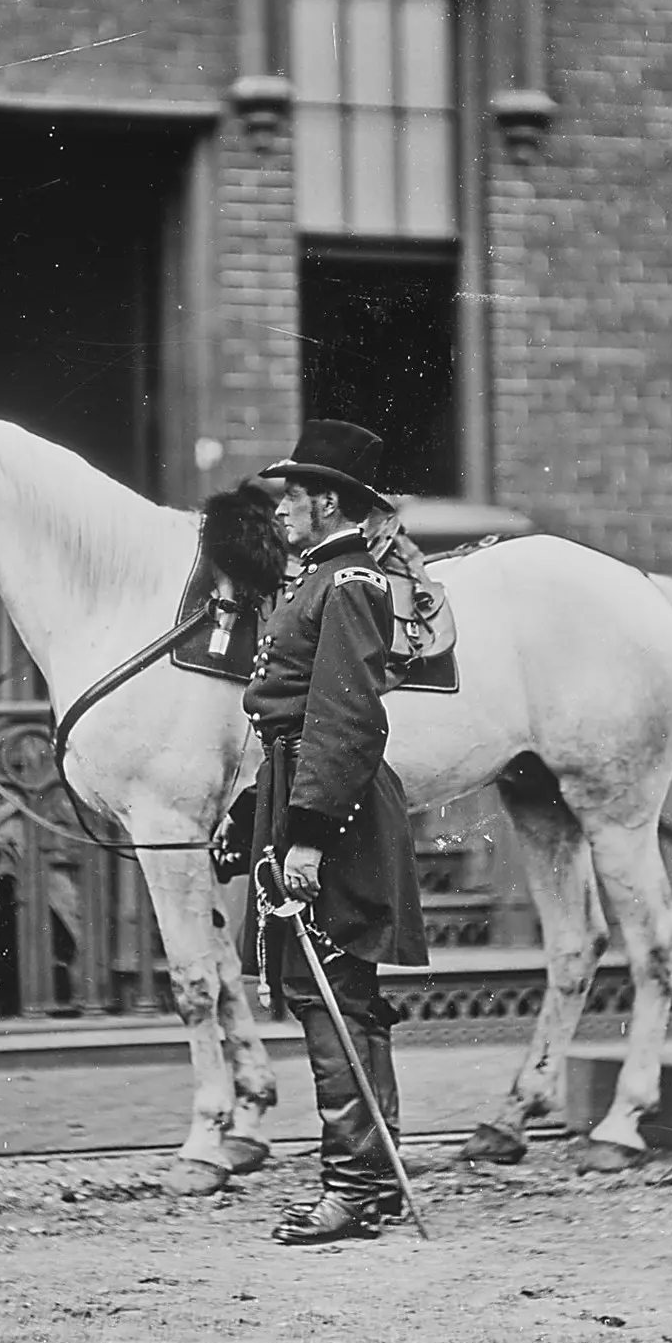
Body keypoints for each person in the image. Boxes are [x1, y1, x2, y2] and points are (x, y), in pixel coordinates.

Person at [233, 419, 429, 1246]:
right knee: (336, 994)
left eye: (290, 499)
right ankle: (372, 1183)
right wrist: (255, 815)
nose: (280, 513)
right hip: (300, 784)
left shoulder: (347, 585)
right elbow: (288, 717)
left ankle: (352, 1188)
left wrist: (306, 834)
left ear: (326, 501)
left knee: (329, 995)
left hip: (332, 800)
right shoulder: (320, 579)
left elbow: (346, 718)